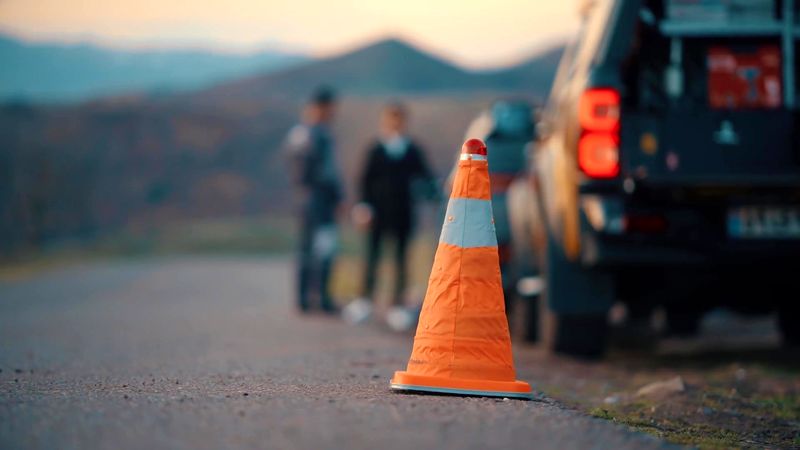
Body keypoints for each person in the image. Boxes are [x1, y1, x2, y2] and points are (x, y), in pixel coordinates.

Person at [343, 102, 436, 331]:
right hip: (378, 212)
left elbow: (425, 177)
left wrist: (432, 194)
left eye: (399, 119)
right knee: (372, 256)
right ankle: (364, 299)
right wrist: (363, 207)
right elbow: (364, 180)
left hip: (403, 212)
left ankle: (398, 303)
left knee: (402, 258)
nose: (395, 123)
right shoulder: (375, 149)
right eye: (391, 119)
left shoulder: (413, 150)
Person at [284, 86, 342, 314]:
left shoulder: (299, 134)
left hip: (306, 199)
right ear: (320, 108)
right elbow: (326, 171)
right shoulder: (318, 135)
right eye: (330, 108)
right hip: (318, 200)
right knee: (321, 248)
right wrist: (336, 195)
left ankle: (306, 298)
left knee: (308, 248)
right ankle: (320, 298)